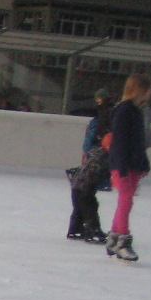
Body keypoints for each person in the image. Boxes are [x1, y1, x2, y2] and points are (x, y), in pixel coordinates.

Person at [105, 73, 151, 263]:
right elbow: (120, 142)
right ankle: (123, 241)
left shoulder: (137, 111)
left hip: (133, 164)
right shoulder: (124, 111)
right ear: (139, 89)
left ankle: (114, 237)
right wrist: (122, 167)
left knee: (126, 201)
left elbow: (139, 142)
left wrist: (144, 163)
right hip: (122, 164)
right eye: (148, 89)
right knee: (126, 200)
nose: (150, 93)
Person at [66, 90, 113, 243]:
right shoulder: (104, 120)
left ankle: (78, 228)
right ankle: (90, 229)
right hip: (90, 170)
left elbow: (88, 145)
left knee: (83, 197)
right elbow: (89, 146)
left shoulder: (102, 119)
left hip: (87, 171)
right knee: (87, 199)